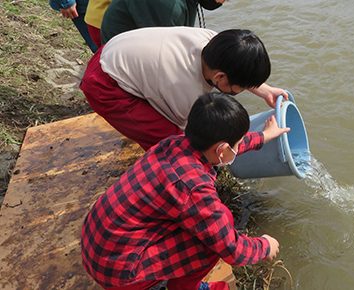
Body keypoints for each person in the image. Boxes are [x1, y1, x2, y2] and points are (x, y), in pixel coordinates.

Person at [81, 92, 286, 290]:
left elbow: (223, 150)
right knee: (211, 241)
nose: (238, 146)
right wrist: (264, 246)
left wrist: (264, 136)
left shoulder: (174, 144)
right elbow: (231, 249)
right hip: (120, 273)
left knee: (208, 222)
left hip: (96, 245)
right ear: (222, 149)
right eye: (238, 143)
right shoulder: (193, 188)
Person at [80, 27, 287, 151]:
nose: (239, 92)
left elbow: (237, 66)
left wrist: (266, 91)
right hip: (104, 85)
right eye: (239, 88)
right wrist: (255, 140)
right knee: (173, 142)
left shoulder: (214, 42)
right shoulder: (185, 90)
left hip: (116, 53)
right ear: (220, 77)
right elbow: (195, 138)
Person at [84, 0, 225, 48]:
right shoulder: (168, 7)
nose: (222, 2)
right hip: (112, 31)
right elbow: (166, 51)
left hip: (141, 23)